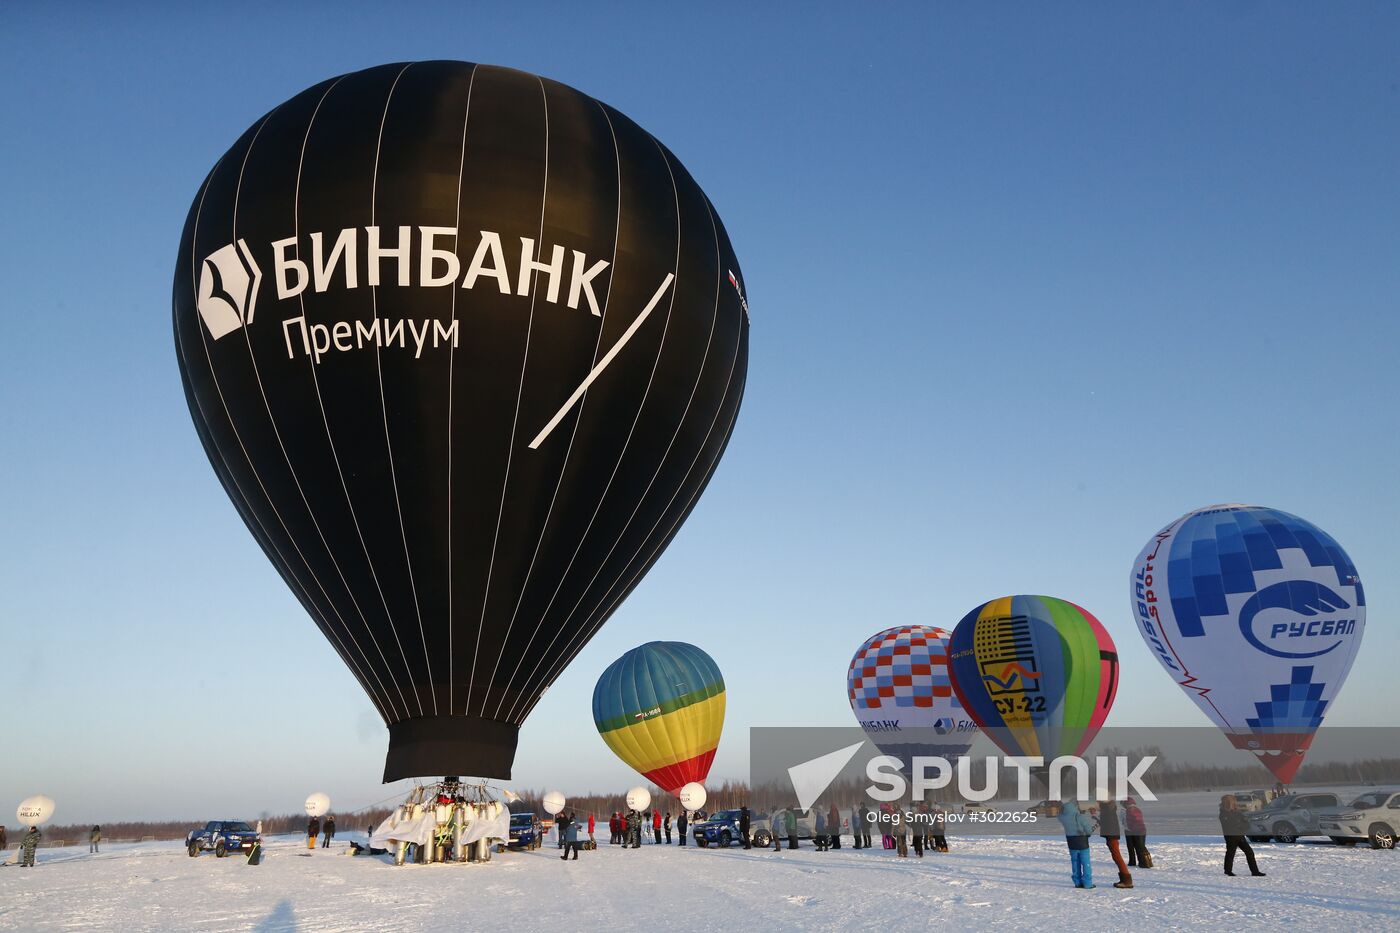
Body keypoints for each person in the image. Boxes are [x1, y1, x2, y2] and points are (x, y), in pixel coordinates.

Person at [1219, 795, 1265, 877]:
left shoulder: (1236, 812)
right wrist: (1240, 825)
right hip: (1231, 836)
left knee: (1249, 852)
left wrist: (1242, 826)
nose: (1235, 803)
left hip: (1239, 835)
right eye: (1233, 801)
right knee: (1231, 853)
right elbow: (1229, 825)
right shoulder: (1223, 813)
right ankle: (1228, 870)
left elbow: (1245, 822)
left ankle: (1255, 871)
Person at [1057, 800, 1095, 889]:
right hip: (1082, 841)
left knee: (1075, 862)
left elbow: (1059, 815)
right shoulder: (1079, 816)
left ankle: (1077, 882)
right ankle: (1088, 883)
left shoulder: (1062, 818)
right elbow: (1088, 829)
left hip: (1071, 842)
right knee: (1086, 863)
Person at [1097, 800, 1133, 888]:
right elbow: (1104, 822)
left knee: (1117, 856)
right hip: (1111, 835)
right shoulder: (1109, 809)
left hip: (1111, 835)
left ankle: (1127, 880)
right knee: (1116, 856)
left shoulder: (1107, 811)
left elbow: (1106, 822)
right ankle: (1124, 879)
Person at [1124, 798, 1152, 868]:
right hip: (1139, 830)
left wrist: (1130, 827)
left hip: (1136, 831)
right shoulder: (1136, 809)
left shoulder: (1130, 810)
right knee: (1140, 847)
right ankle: (1144, 862)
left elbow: (1130, 821)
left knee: (1138, 847)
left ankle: (1143, 863)